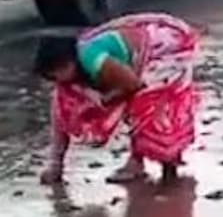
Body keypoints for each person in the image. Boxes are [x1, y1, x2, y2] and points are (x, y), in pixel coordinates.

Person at [35, 13, 201, 184]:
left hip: (162, 48)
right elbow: (60, 119)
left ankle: (164, 165)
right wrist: (56, 166)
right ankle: (141, 162)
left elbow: (134, 85)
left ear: (66, 64)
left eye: (54, 76)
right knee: (132, 103)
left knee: (150, 106)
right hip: (134, 60)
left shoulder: (92, 59)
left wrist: (105, 99)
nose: (55, 83)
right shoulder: (69, 78)